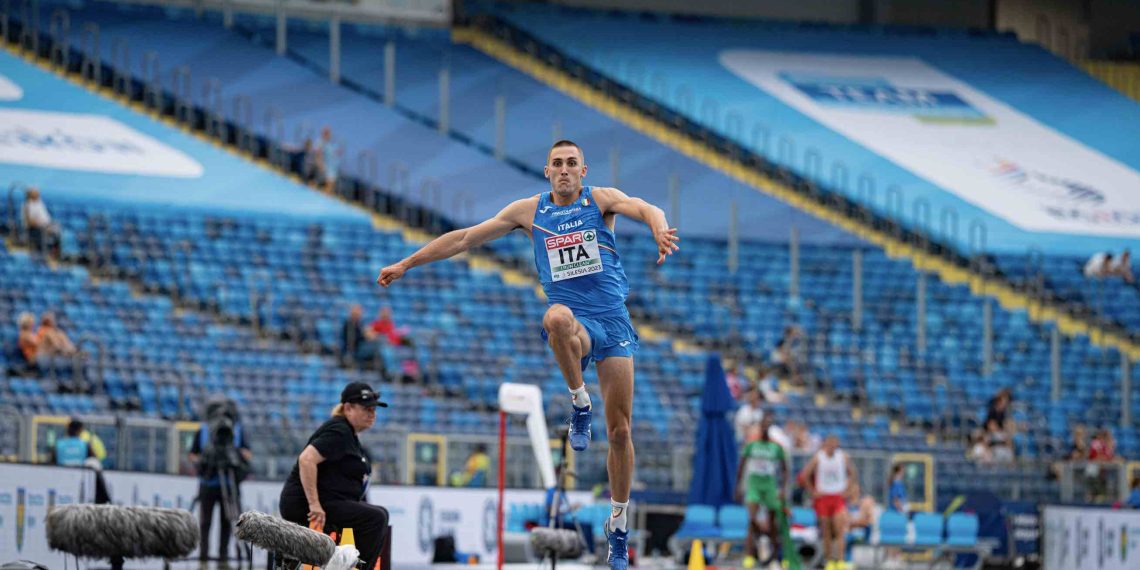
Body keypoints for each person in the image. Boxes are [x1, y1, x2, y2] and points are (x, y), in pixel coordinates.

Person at [378, 139, 678, 570]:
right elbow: (464, 238)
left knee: (620, 432)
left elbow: (646, 207)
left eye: (572, 163)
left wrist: (659, 229)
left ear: (583, 170)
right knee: (555, 317)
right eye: (557, 163)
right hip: (575, 322)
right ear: (547, 171)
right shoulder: (529, 211)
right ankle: (579, 401)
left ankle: (618, 523)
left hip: (613, 323)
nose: (564, 169)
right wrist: (406, 263)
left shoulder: (601, 200)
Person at [279, 382, 390, 570]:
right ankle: (355, 567)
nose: (372, 414)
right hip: (305, 505)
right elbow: (306, 459)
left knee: (379, 514)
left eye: (374, 410)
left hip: (329, 501)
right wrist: (314, 505)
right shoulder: (339, 431)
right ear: (348, 408)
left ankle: (350, 564)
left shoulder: (349, 434)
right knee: (375, 518)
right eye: (366, 409)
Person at [189, 397, 251, 569]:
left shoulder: (237, 430)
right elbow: (192, 454)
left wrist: (233, 453)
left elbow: (248, 454)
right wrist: (203, 460)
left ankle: (223, 559)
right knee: (205, 523)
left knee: (227, 522)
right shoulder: (202, 430)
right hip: (208, 483)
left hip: (230, 485)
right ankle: (203, 558)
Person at [735, 416, 793, 570]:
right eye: (763, 426)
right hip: (754, 484)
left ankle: (775, 557)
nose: (765, 428)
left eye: (768, 426)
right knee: (752, 519)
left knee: (773, 522)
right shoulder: (752, 445)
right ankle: (749, 555)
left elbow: (785, 470)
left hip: (769, 485)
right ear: (760, 427)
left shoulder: (776, 447)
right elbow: (741, 466)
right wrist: (738, 487)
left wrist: (783, 489)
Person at [799, 435, 857, 570]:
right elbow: (805, 474)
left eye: (834, 444)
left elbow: (852, 473)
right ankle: (829, 560)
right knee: (826, 531)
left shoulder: (842, 456)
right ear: (825, 444)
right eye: (829, 444)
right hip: (823, 497)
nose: (832, 447)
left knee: (840, 529)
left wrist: (848, 489)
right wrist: (812, 491)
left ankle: (840, 560)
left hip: (837, 496)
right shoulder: (818, 457)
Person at [341, 305, 382, 370]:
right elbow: (352, 339)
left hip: (360, 346)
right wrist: (366, 336)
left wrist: (369, 335)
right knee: (378, 344)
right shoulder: (349, 324)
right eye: (358, 311)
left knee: (380, 340)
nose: (360, 314)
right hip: (354, 350)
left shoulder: (359, 323)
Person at [21, 187, 56, 257]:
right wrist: (42, 225)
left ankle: (56, 252)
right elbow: (29, 222)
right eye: (35, 192)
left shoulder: (39, 203)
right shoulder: (27, 205)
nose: (37, 194)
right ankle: (47, 252)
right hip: (35, 229)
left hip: (46, 226)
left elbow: (46, 218)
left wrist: (50, 225)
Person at [313, 126, 341, 195]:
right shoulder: (320, 142)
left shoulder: (329, 144)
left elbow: (332, 155)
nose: (329, 135)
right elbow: (317, 153)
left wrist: (337, 153)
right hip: (323, 167)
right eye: (327, 133)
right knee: (317, 183)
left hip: (330, 168)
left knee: (330, 186)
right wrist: (320, 164)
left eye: (329, 133)